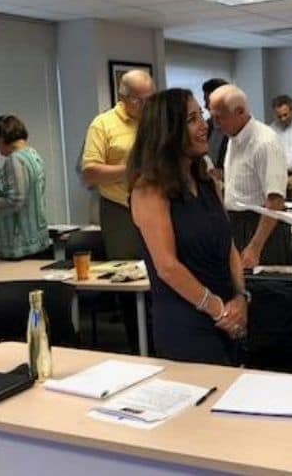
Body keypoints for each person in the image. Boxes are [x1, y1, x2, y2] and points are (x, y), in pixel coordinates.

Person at [128, 88, 248, 365]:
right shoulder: (149, 190)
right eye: (192, 119)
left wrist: (241, 297)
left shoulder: (208, 183)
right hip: (188, 323)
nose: (204, 126)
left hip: (229, 315)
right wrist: (220, 310)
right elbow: (168, 268)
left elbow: (229, 247)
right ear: (168, 131)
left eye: (201, 116)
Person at [81, 69, 155, 351]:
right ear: (123, 97)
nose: (148, 106)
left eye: (152, 98)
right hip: (120, 210)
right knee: (130, 279)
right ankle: (138, 345)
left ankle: (162, 341)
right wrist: (130, 170)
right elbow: (90, 172)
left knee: (162, 273)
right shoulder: (103, 125)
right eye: (142, 100)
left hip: (155, 206)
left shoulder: (155, 122)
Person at [209, 84, 289, 268]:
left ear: (240, 111)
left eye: (219, 117)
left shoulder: (265, 142)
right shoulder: (232, 138)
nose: (215, 124)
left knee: (265, 290)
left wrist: (255, 247)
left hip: (261, 228)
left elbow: (275, 201)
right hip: (237, 224)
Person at [0, 115, 50, 260]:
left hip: (20, 245)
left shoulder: (15, 160)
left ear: (1, 138)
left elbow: (15, 202)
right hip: (36, 240)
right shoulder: (33, 154)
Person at [202, 77, 230, 174]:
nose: (205, 106)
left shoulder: (239, 129)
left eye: (208, 102)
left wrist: (223, 173)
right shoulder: (205, 125)